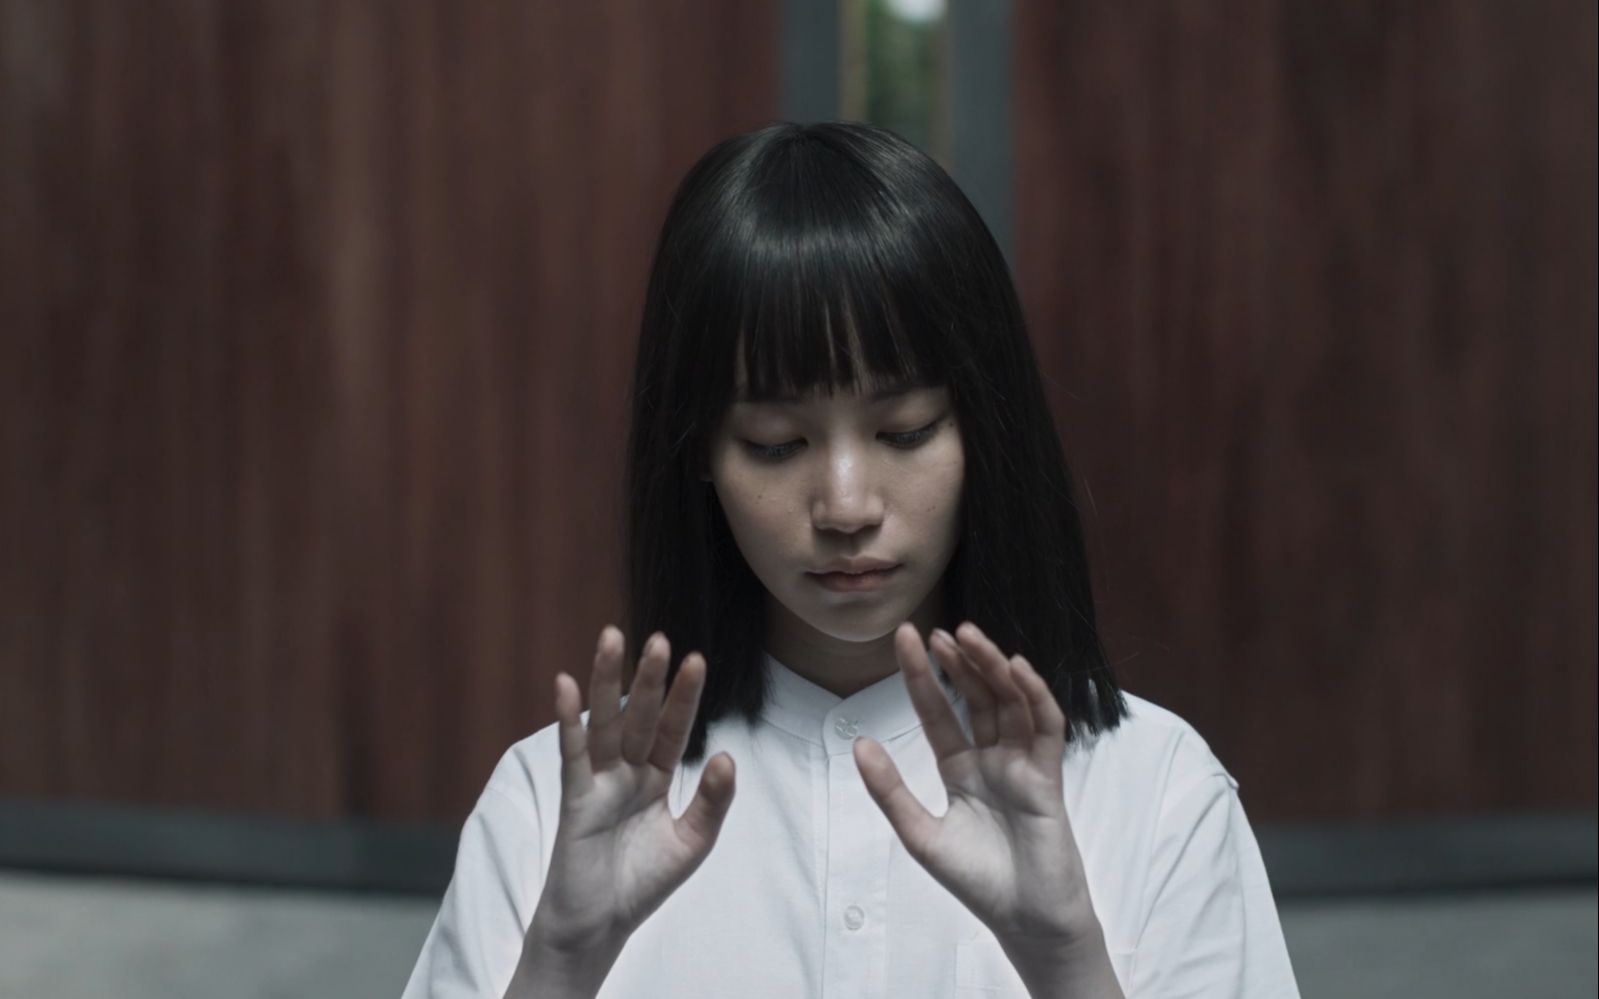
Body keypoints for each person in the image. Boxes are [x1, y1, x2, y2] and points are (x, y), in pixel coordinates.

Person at [401, 121, 1301, 999]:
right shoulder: (549, 807)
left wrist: (1066, 959)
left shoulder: (1154, 788)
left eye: (903, 431)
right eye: (774, 442)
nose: (844, 506)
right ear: (698, 454)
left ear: (984, 431)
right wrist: (560, 963)